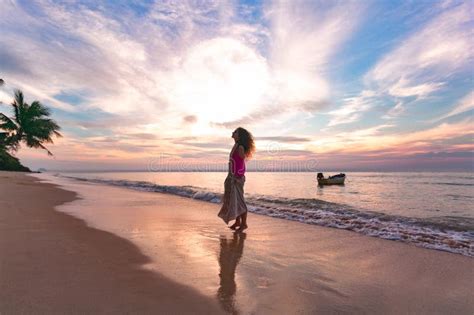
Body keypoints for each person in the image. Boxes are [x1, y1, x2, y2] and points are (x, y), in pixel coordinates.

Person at [218, 127, 255, 231]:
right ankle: (237, 221)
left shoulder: (240, 147)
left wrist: (237, 176)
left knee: (240, 201)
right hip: (232, 176)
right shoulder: (236, 145)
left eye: (235, 132)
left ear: (239, 136)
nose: (233, 132)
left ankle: (244, 224)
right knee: (235, 200)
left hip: (237, 178)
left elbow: (241, 164)